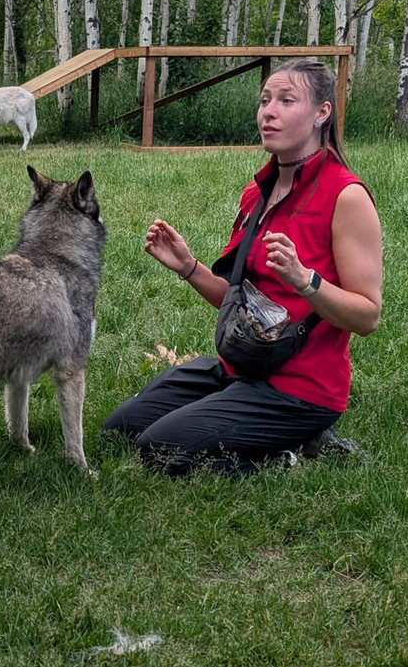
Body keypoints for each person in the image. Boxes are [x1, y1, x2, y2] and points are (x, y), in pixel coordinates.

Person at [103, 59, 383, 475]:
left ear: (322, 113)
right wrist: (189, 267)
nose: (268, 111)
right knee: (120, 430)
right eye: (265, 100)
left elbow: (367, 315)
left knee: (158, 449)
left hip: (301, 389)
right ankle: (277, 434)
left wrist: (305, 282)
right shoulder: (258, 192)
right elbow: (241, 305)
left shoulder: (346, 196)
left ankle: (290, 454)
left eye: (287, 100)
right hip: (244, 365)